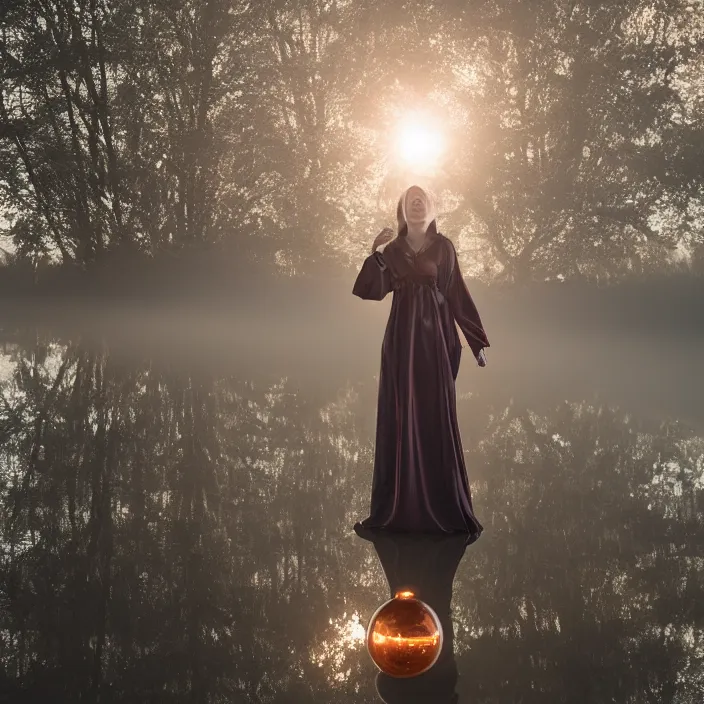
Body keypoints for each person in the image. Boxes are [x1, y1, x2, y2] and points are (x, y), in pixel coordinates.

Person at [352, 184, 490, 537]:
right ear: (402, 210)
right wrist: (376, 252)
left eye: (422, 202)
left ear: (431, 210)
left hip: (436, 343)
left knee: (434, 415)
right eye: (410, 203)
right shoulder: (394, 249)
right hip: (401, 344)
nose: (416, 207)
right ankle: (399, 508)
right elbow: (372, 291)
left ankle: (442, 505)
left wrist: (475, 340)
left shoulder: (443, 248)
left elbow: (456, 292)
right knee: (402, 415)